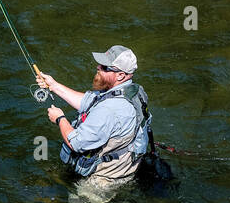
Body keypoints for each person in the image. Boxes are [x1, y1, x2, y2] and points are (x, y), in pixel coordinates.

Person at [38, 44, 153, 186]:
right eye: (100, 64)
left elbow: (77, 143)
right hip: (126, 163)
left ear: (120, 75)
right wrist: (53, 85)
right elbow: (88, 101)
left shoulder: (110, 110)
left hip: (105, 179)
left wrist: (60, 119)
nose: (98, 67)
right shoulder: (132, 90)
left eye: (104, 67)